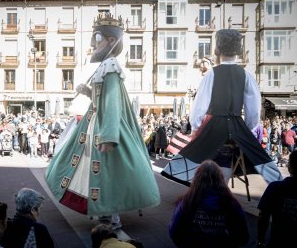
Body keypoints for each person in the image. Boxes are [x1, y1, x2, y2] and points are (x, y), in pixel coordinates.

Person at [45, 13, 160, 229]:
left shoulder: (112, 68)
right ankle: (102, 212)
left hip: (106, 128)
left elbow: (112, 103)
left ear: (111, 41)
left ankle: (112, 217)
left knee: (109, 173)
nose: (92, 44)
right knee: (99, 170)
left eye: (97, 39)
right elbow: (101, 98)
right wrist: (88, 91)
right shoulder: (104, 66)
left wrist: (109, 135)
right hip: (94, 124)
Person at [161, 29, 282, 185]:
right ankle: (277, 182)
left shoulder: (212, 74)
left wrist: (196, 129)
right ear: (238, 50)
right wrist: (246, 129)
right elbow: (254, 111)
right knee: (258, 155)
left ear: (217, 49)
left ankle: (209, 187)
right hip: (237, 125)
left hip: (215, 125)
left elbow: (200, 106)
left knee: (197, 154)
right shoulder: (246, 75)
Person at [169, 160, 249, 247]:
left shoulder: (186, 202)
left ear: (196, 179)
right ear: (221, 179)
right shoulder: (232, 204)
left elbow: (174, 232)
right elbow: (243, 237)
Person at [257, 150, 297, 247]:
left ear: (289, 167)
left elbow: (263, 216)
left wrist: (260, 240)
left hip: (278, 241)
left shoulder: (275, 187)